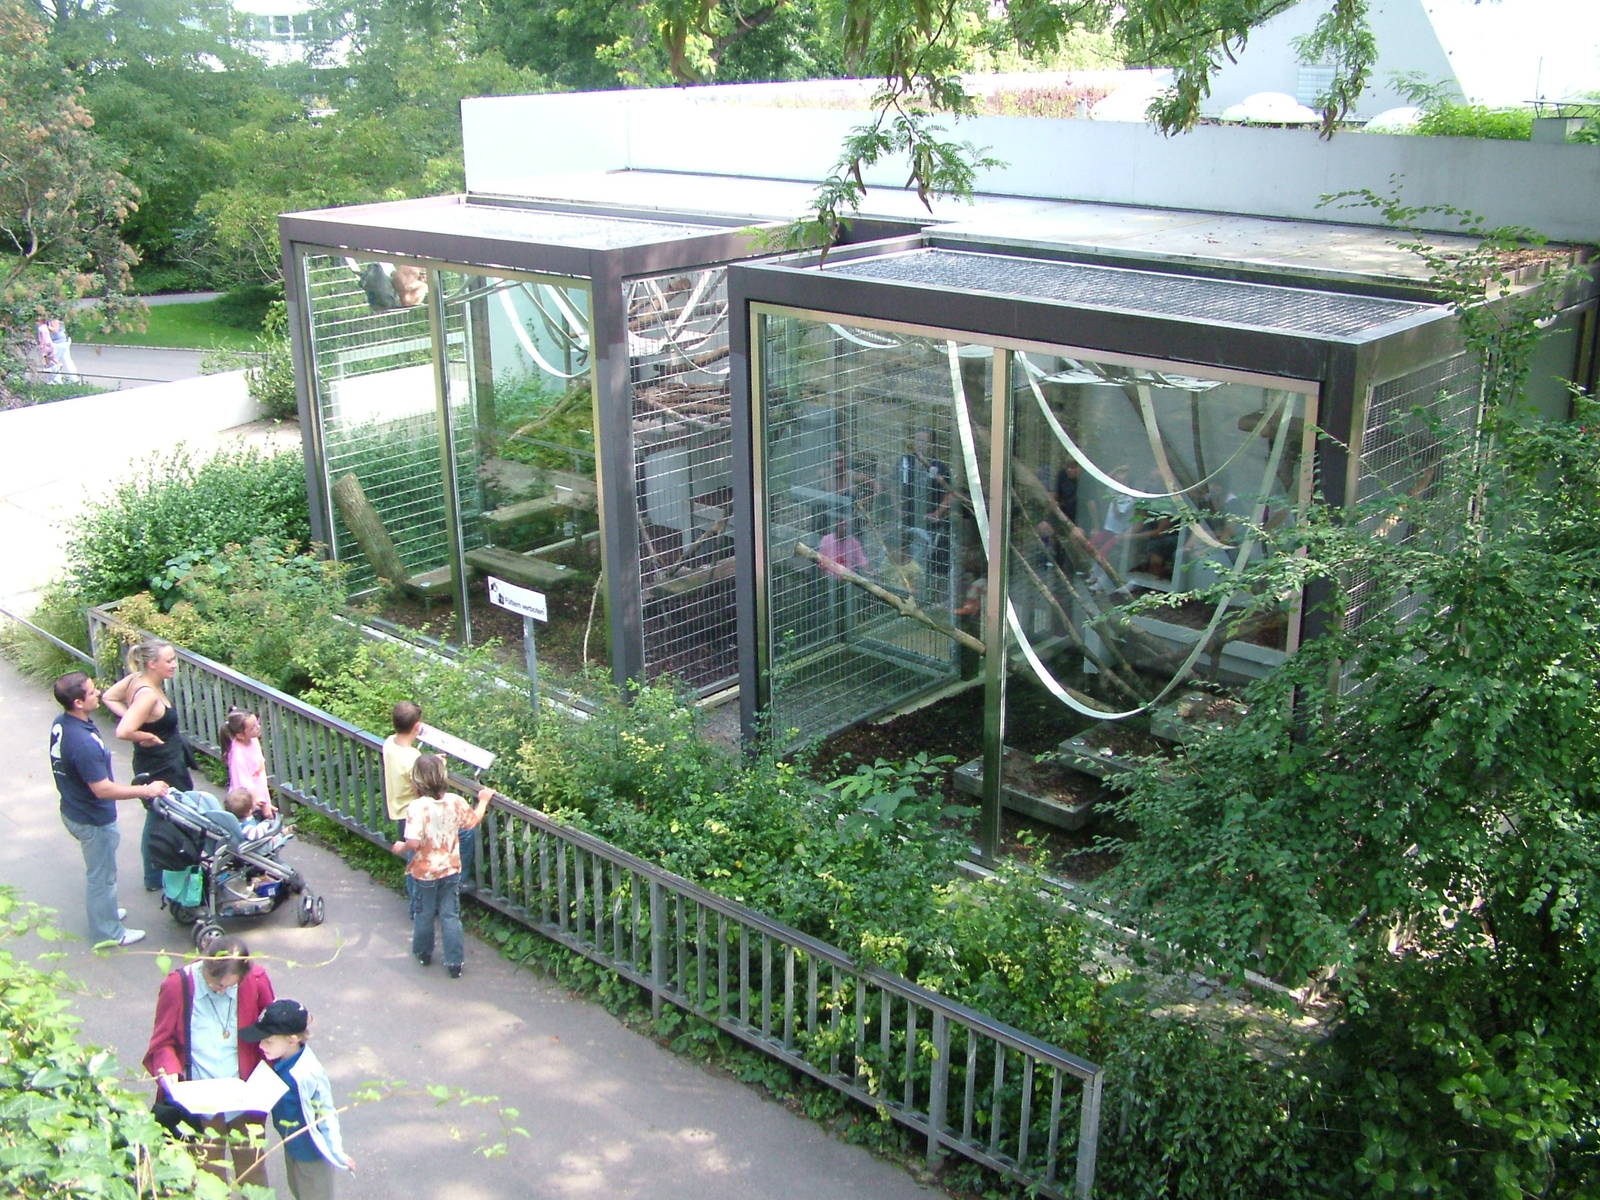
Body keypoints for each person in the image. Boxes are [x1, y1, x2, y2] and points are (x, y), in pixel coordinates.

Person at [144, 937, 277, 1188]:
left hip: (245, 1098)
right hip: (202, 1101)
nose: (222, 991)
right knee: (209, 1177)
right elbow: (162, 1043)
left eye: (230, 986)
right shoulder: (178, 985)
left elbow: (271, 1029)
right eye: (216, 984)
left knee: (253, 1172)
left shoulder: (256, 980)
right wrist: (170, 1072)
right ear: (205, 967)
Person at [49, 671, 169, 947]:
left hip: (73, 807)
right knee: (102, 878)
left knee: (103, 873)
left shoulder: (63, 724)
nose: (99, 694)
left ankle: (106, 912)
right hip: (92, 818)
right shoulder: (82, 743)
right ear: (78, 702)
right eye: (92, 692)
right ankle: (108, 932)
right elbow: (102, 789)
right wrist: (146, 790)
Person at [103, 637, 194, 891]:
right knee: (163, 815)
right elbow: (123, 731)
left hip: (162, 759)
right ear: (152, 664)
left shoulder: (136, 680)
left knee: (159, 815)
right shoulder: (147, 695)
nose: (174, 665)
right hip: (161, 765)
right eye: (169, 660)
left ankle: (156, 873)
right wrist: (144, 733)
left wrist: (133, 717)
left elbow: (109, 696)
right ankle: (156, 875)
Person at [390, 755, 492, 979]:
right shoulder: (455, 801)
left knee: (424, 913)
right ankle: (455, 962)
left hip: (424, 872)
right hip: (450, 869)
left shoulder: (417, 807)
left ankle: (423, 952)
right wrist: (483, 799)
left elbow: (414, 843)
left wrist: (401, 847)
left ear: (417, 781)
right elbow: (472, 821)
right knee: (450, 915)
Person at [240, 999, 354, 1198]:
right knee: (297, 1191)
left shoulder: (306, 1074)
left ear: (292, 1040)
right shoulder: (282, 1060)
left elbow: (326, 1111)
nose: (260, 1046)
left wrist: (337, 1151)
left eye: (268, 1041)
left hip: (311, 1154)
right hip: (292, 1146)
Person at [382, 701, 424, 913]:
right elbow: (420, 788)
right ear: (417, 726)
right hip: (413, 814)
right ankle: (417, 908)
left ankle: (415, 905)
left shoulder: (389, 743)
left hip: (397, 811)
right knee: (416, 861)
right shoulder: (413, 757)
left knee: (411, 860)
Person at [222, 707, 276, 819]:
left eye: (257, 724)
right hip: (247, 805)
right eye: (253, 728)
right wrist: (263, 805)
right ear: (240, 735)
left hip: (260, 791)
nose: (258, 728)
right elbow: (244, 785)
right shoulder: (238, 756)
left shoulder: (253, 740)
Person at [45, 316, 79, 383]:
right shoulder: (53, 317)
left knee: (53, 362)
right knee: (66, 360)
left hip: (59, 343)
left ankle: (56, 381)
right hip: (62, 341)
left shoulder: (54, 319)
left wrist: (45, 326)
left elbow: (55, 330)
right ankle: (74, 378)